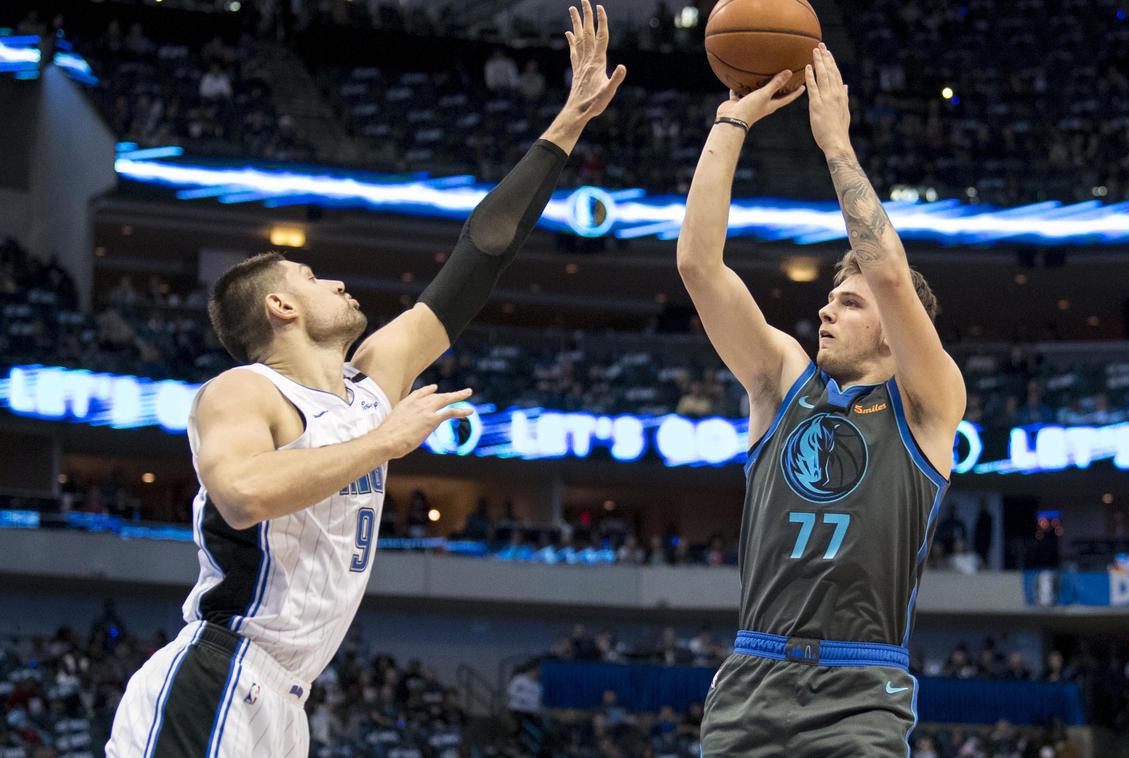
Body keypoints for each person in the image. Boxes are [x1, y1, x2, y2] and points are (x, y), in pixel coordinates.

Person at [104, 4, 624, 755]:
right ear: (280, 306)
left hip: (286, 699)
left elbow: (478, 258)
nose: (338, 282)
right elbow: (244, 495)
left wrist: (566, 127)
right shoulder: (245, 391)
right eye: (314, 276)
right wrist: (383, 440)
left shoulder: (370, 379)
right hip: (218, 672)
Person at [679, 45, 965, 756]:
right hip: (752, 675)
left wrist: (836, 145)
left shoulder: (928, 406)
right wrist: (729, 123)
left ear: (897, 336)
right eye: (829, 299)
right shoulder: (783, 383)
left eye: (847, 301)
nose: (825, 312)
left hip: (859, 693)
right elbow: (697, 265)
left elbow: (891, 276)